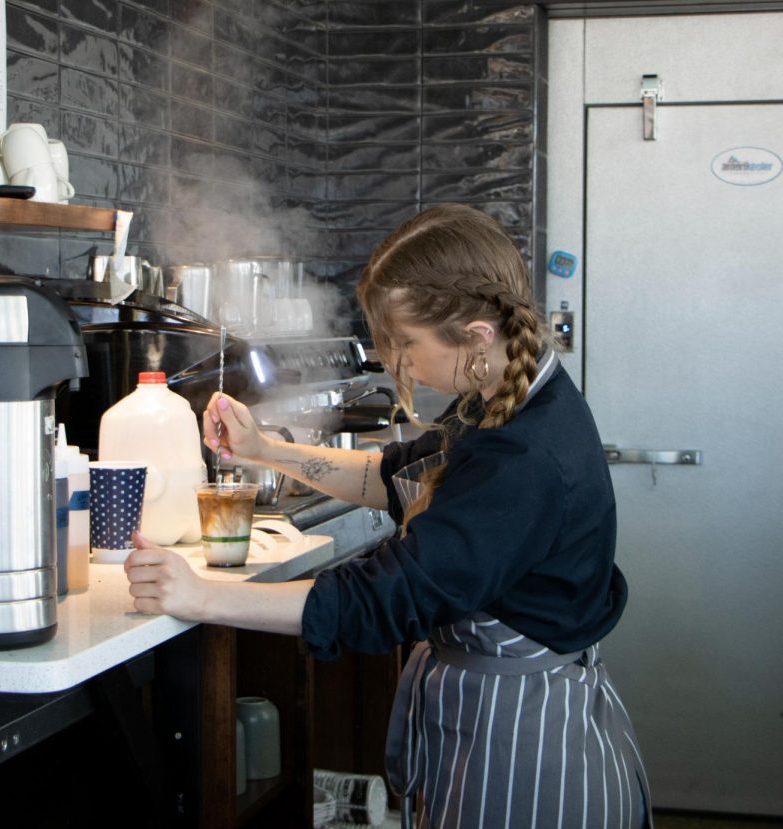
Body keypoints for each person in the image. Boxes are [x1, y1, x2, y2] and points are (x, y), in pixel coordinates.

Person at [124, 204, 652, 828]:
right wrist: (267, 450)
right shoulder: (507, 392)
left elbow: (381, 600)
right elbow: (395, 476)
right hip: (500, 717)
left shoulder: (524, 455)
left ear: (478, 334)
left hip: (524, 745)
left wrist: (202, 598)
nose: (397, 361)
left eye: (406, 343)